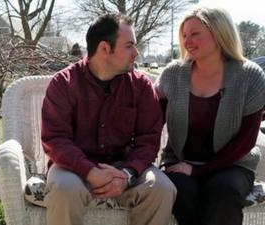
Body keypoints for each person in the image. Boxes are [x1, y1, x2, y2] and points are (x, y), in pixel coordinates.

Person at [41, 13, 176, 225]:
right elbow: (55, 140)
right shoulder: (63, 84)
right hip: (73, 167)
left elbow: (148, 141)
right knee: (65, 189)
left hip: (124, 166)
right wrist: (90, 171)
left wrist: (127, 174)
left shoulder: (140, 86)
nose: (136, 53)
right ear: (105, 48)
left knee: (162, 188)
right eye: (129, 45)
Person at [155, 6, 265, 225]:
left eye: (195, 34)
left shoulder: (250, 76)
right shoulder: (173, 74)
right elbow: (151, 123)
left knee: (223, 192)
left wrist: (199, 170)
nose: (187, 41)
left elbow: (246, 142)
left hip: (233, 164)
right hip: (179, 162)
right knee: (181, 193)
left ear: (219, 33)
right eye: (184, 35)